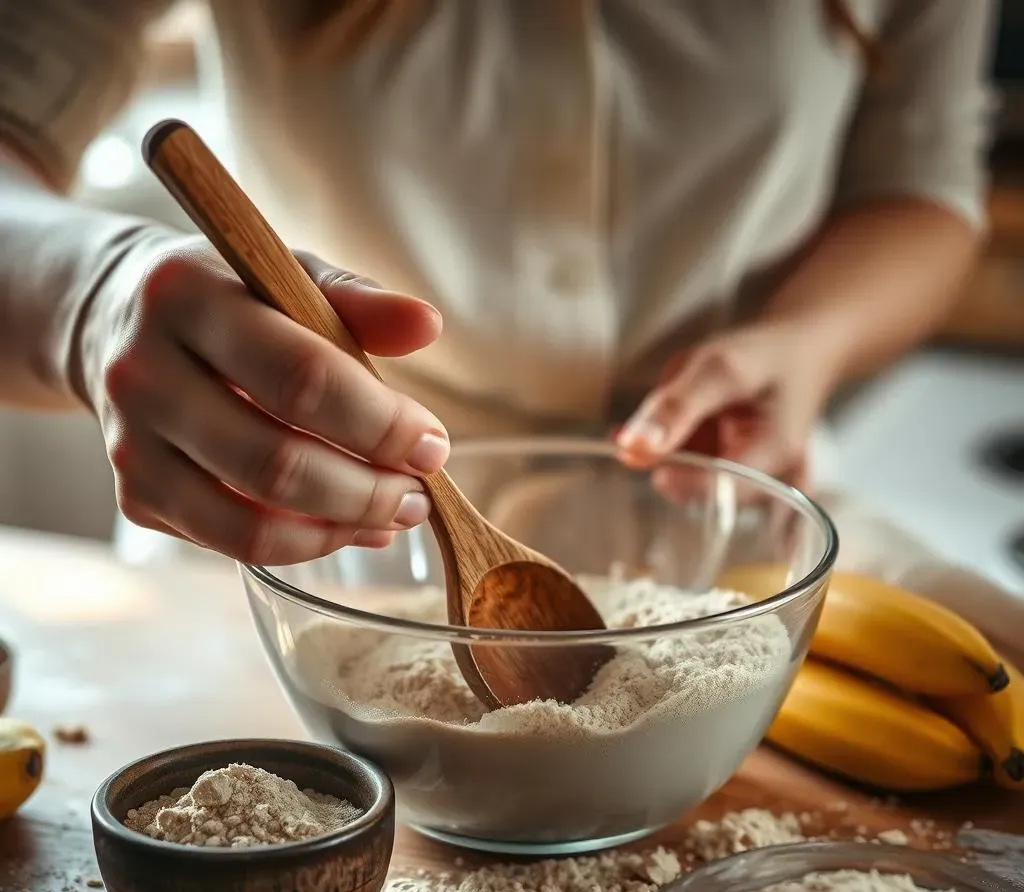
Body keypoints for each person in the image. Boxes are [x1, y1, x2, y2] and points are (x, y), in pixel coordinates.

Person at [0, 1, 995, 565]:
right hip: (293, 541)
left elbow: (923, 186)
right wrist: (94, 296)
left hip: (736, 539)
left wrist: (801, 345)